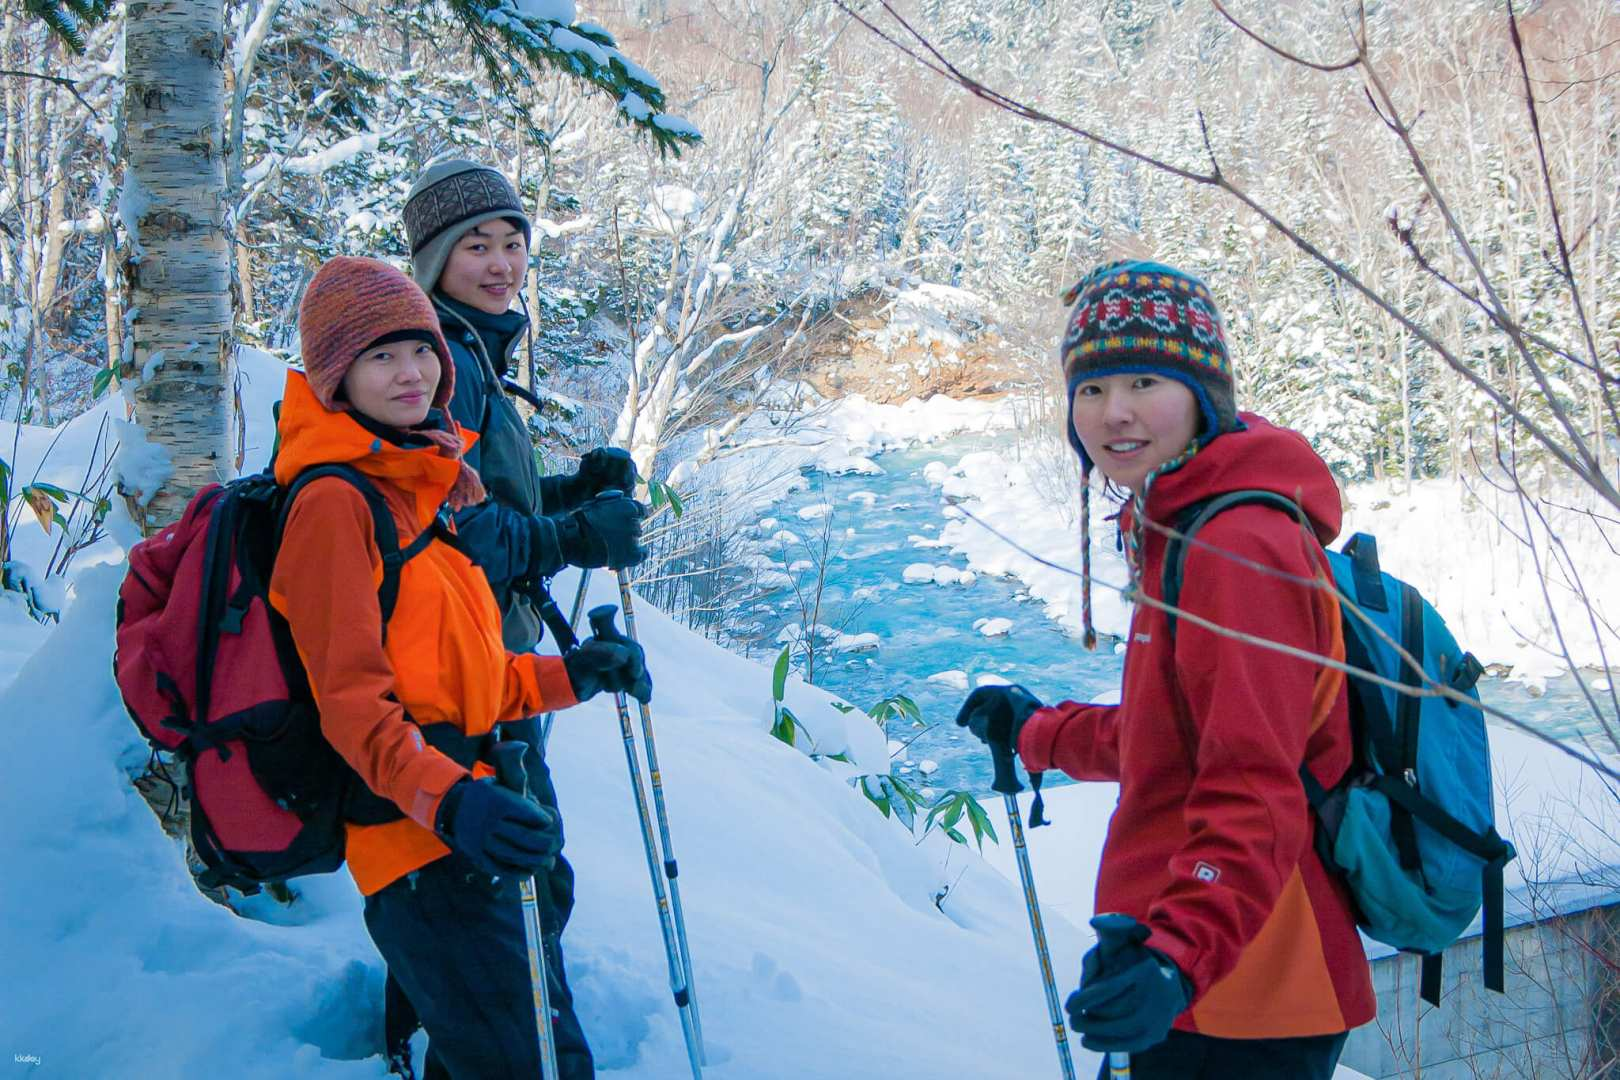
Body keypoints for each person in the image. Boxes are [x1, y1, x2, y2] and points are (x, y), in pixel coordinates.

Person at [956, 260, 1375, 1079]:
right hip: (1198, 964)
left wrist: (1176, 956)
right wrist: (1042, 733)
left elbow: (1257, 784)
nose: (1113, 413)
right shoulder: (1179, 522)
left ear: (1203, 394)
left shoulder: (1236, 548)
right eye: (1091, 388)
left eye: (1145, 380)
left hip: (1245, 984)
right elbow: (1178, 736)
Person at [269, 256, 653, 1079]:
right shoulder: (335, 504)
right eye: (380, 356)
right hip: (423, 848)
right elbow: (352, 708)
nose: (412, 372)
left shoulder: (427, 481)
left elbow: (472, 678)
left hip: (490, 812)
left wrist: (573, 676)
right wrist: (452, 807)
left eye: (421, 349)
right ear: (337, 375)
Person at [399, 158, 644, 1077]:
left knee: (497, 886)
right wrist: (574, 534)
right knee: (520, 888)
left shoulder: (470, 352)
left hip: (492, 660)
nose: (501, 264)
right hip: (464, 675)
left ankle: (424, 1035)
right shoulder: (444, 362)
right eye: (476, 245)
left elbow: (484, 495)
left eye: (512, 244)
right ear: (432, 258)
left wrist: (567, 491)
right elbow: (448, 532)